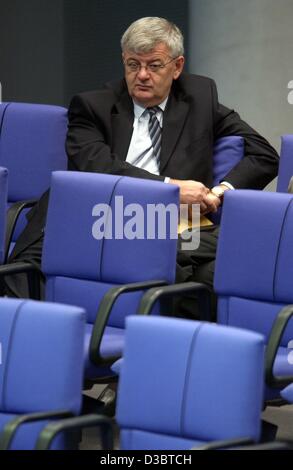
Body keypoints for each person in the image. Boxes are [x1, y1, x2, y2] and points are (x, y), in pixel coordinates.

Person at [2, 16, 279, 319]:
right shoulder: (94, 107)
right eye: (133, 65)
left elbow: (263, 154)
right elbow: (97, 167)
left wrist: (222, 190)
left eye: (154, 65)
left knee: (216, 269)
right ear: (124, 61)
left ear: (177, 67)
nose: (142, 75)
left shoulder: (199, 98)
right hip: (98, 215)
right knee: (23, 276)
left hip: (173, 226)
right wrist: (169, 187)